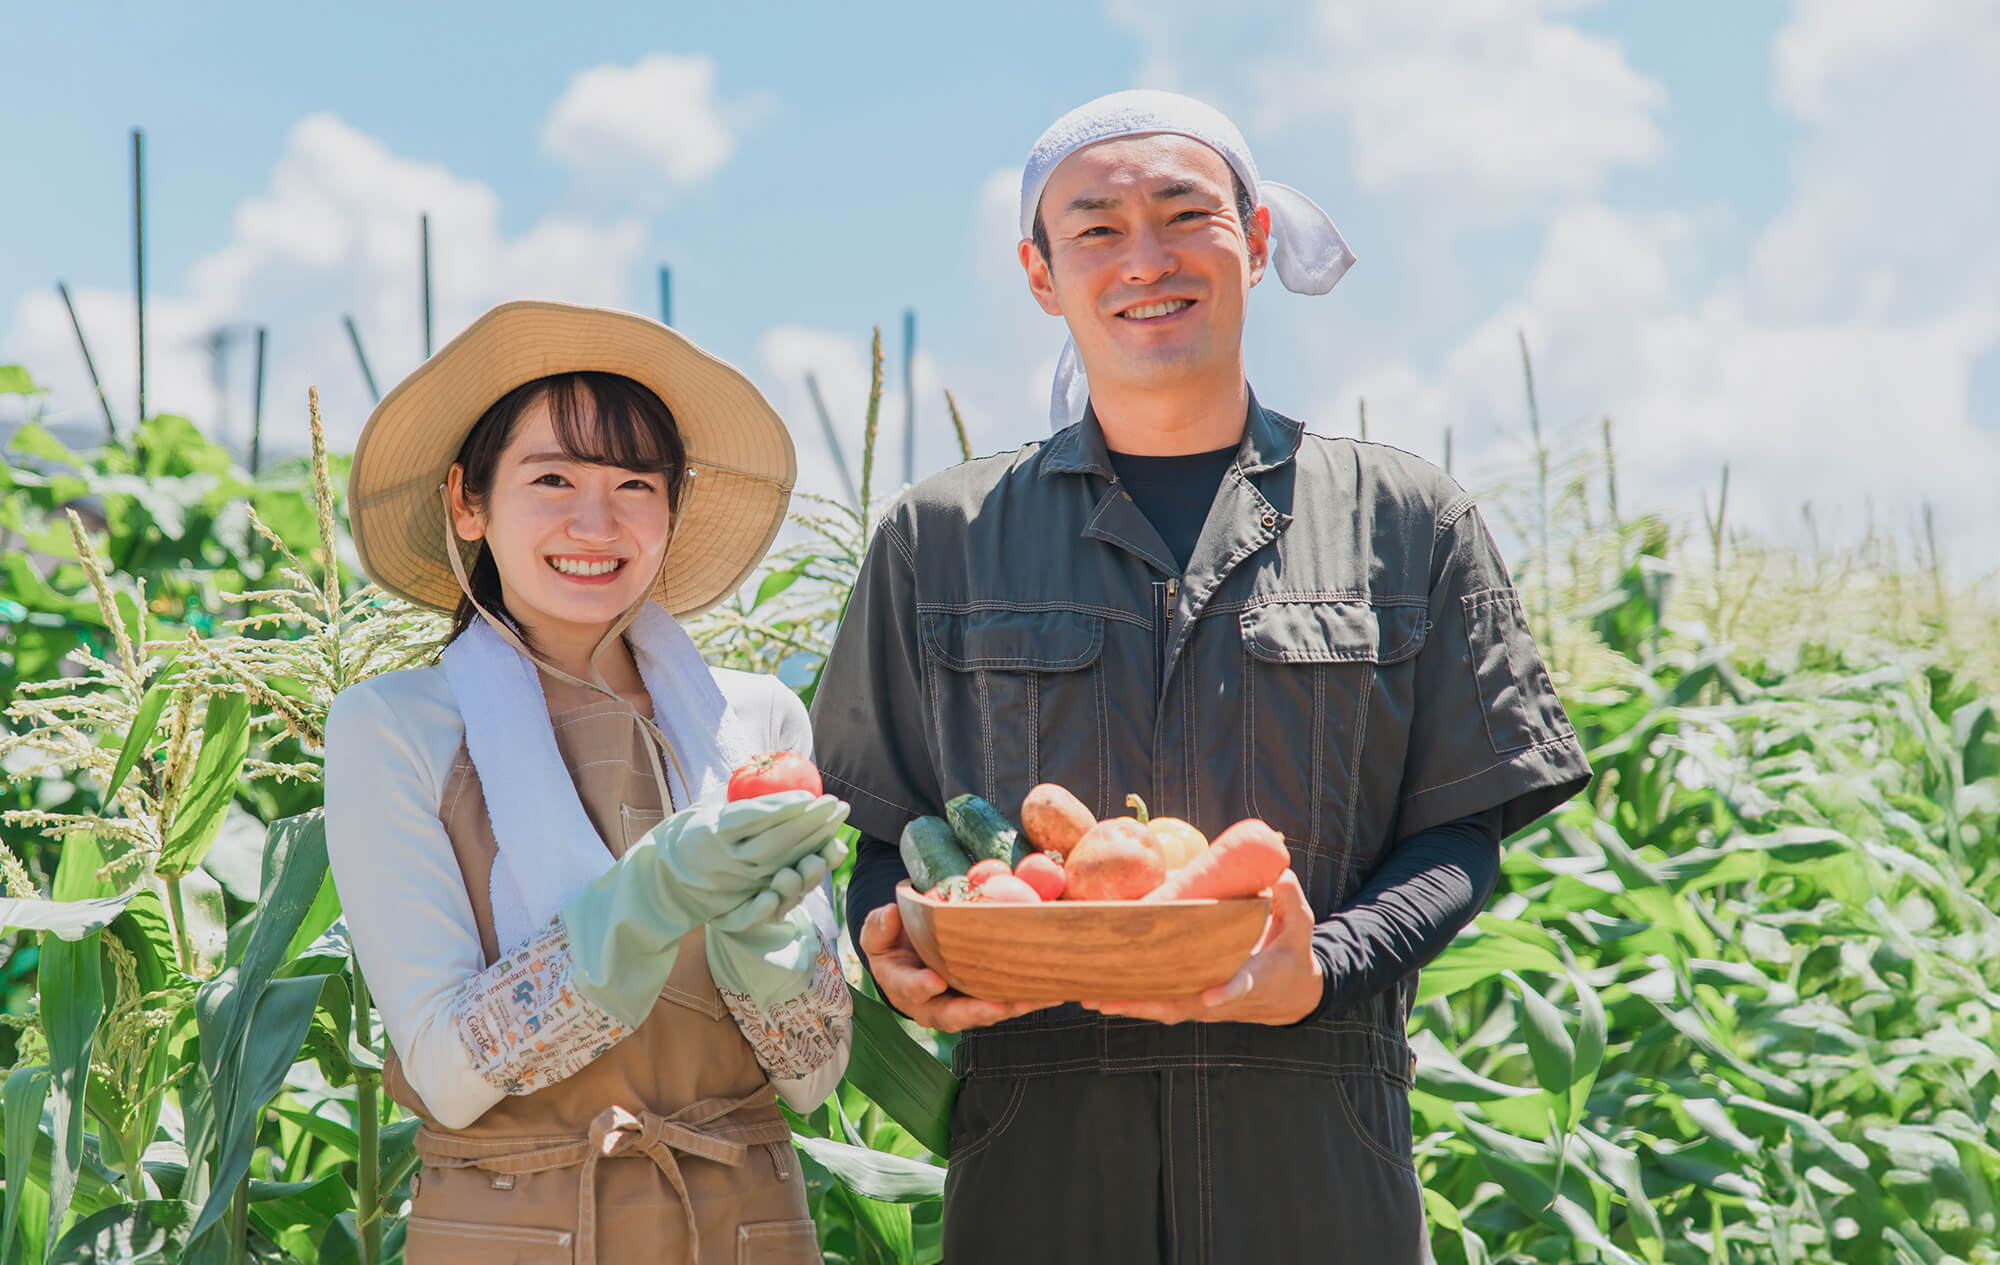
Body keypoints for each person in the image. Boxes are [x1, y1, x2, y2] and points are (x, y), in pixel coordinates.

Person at [809, 91, 1592, 1262]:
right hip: (1036, 1157)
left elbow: (1459, 829)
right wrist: (893, 938)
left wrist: (1317, 967)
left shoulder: (1402, 518)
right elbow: (880, 830)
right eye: (1095, 229)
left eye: (1184, 214)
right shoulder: (937, 539)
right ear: (1040, 273)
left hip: (1319, 1145)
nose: (1145, 258)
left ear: (1256, 240)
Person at [325, 300, 846, 1264]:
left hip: (745, 1222)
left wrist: (762, 946)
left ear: (671, 509)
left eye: (635, 484)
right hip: (514, 1226)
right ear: (466, 501)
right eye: (552, 477)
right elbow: (445, 1069)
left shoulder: (754, 724)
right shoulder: (393, 729)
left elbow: (816, 1073)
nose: (595, 521)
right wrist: (644, 900)